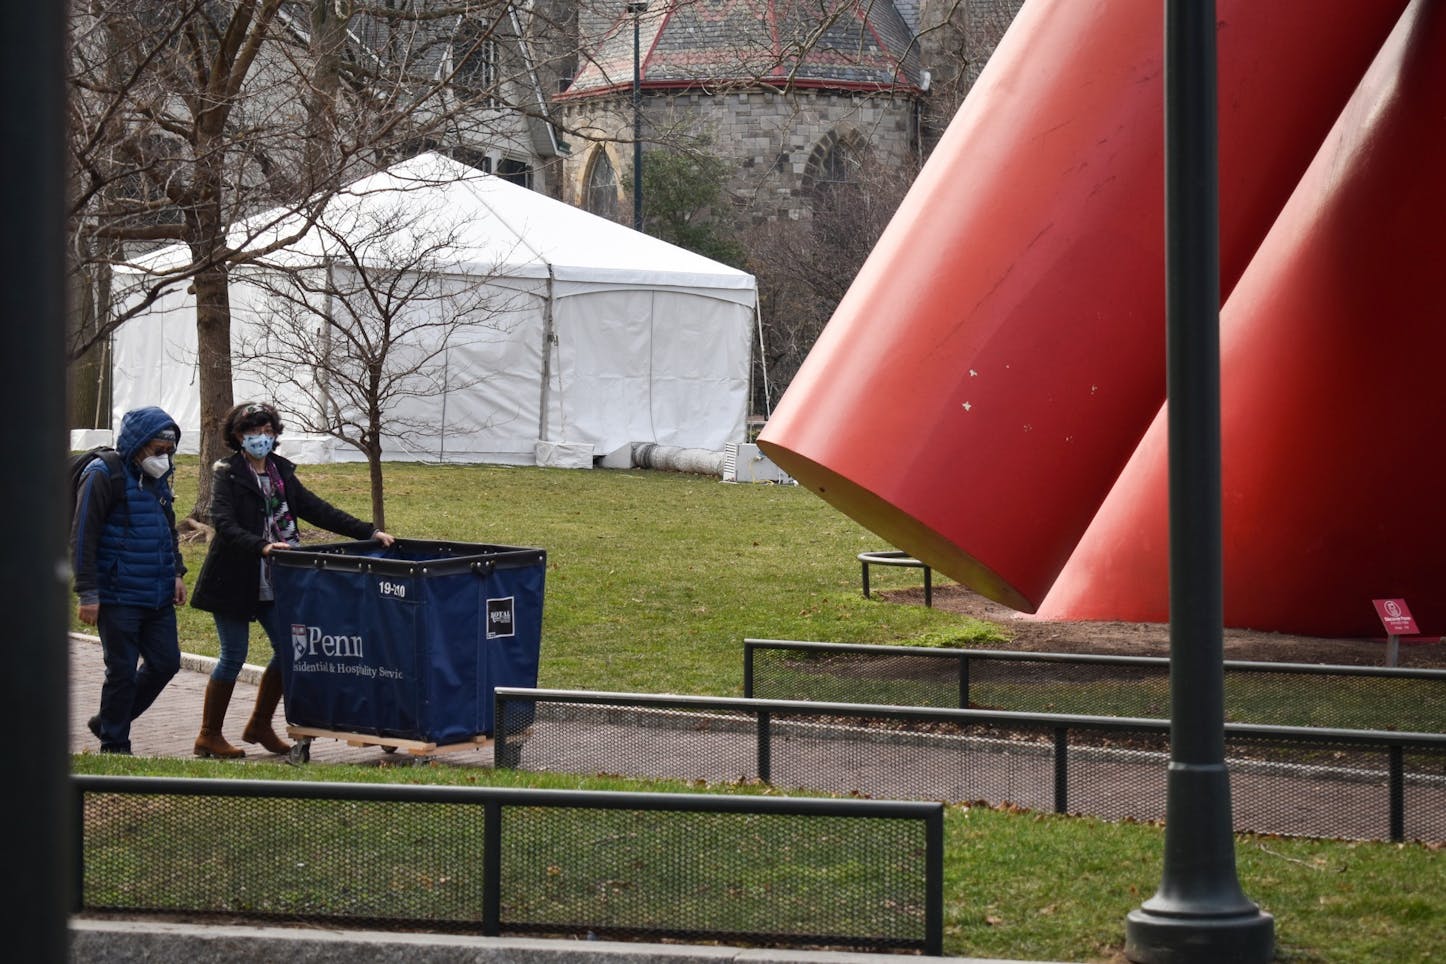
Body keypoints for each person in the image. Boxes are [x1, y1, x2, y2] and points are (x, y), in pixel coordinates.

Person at [189, 402, 395, 757]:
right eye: (253, 432)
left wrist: (369, 532)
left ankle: (259, 724)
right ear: (238, 436)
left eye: (268, 431)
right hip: (235, 578)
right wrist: (264, 546)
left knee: (289, 653)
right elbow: (224, 523)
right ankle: (209, 735)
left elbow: (317, 509)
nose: (262, 438)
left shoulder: (280, 472)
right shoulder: (227, 472)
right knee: (233, 655)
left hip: (278, 578)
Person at [72, 406, 187, 755]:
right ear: (138, 444)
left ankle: (108, 720)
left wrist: (177, 573)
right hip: (117, 594)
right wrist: (88, 593)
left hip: (157, 593)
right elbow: (82, 536)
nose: (163, 457)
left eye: (169, 450)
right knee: (121, 670)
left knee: (166, 663)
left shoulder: (158, 480)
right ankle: (115, 743)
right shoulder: (103, 475)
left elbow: (168, 530)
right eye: (158, 449)